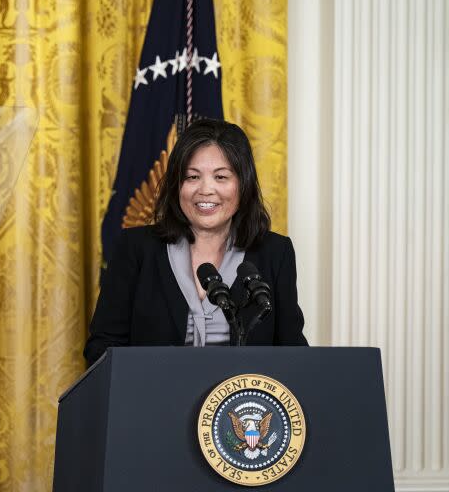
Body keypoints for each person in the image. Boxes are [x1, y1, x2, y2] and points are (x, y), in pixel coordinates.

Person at [85, 119, 307, 365]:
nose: (206, 190)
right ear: (176, 184)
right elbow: (102, 348)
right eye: (192, 177)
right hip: (153, 400)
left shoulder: (275, 253)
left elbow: (293, 353)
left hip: (241, 402)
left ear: (243, 185)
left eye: (221, 177)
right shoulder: (135, 248)